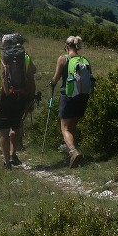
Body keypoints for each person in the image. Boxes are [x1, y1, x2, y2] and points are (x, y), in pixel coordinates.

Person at [0, 33, 36, 169]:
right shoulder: (25, 57)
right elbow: (32, 78)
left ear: (3, 44)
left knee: (4, 130)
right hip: (21, 96)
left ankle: (7, 162)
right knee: (16, 126)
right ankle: (13, 154)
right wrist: (30, 98)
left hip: (3, 97)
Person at [49, 35, 92, 168]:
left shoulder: (63, 59)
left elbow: (55, 79)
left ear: (67, 47)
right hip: (83, 96)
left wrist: (51, 83)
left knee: (65, 128)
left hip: (67, 96)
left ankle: (73, 152)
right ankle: (73, 155)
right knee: (72, 126)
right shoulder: (84, 60)